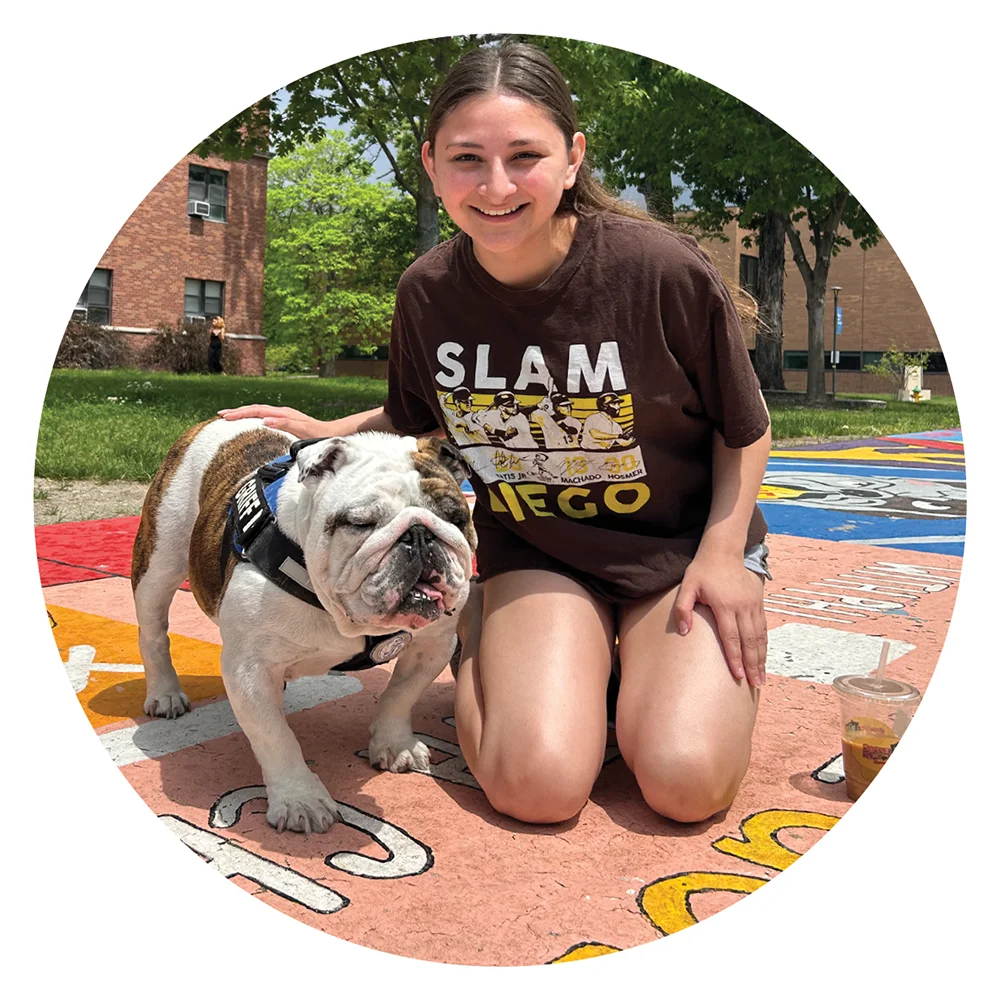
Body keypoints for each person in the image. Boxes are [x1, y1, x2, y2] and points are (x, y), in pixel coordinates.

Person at [219, 41, 772, 827]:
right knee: (535, 789)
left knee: (686, 783)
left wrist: (725, 560)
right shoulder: (429, 291)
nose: (497, 185)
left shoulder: (660, 270)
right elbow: (418, 422)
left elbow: (745, 429)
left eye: (526, 156)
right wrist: (322, 430)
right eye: (468, 158)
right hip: (536, 552)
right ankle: (518, 642)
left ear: (573, 158)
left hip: (681, 551)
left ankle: (634, 671)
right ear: (432, 165)